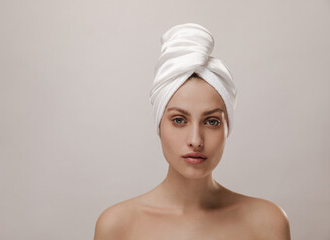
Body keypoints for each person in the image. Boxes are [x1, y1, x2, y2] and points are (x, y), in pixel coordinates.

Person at [93, 23, 291, 240]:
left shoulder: (267, 223)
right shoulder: (117, 226)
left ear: (228, 128)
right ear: (159, 125)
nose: (196, 140)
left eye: (212, 122)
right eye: (179, 120)